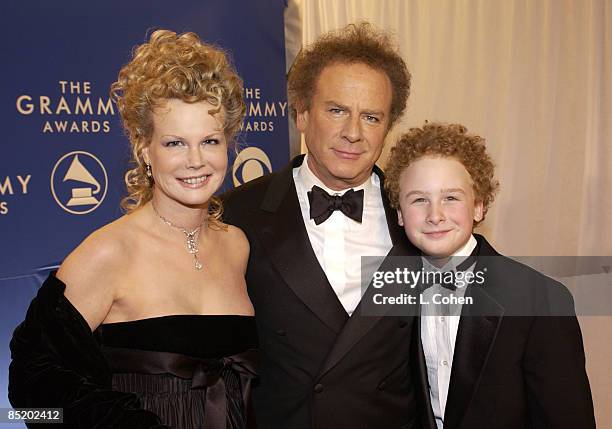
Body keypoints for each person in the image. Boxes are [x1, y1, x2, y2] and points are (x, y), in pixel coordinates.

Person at [9, 30, 257, 429]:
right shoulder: (109, 251)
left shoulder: (238, 246)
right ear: (145, 149)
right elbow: (32, 384)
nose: (196, 160)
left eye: (209, 140)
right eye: (175, 143)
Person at [223, 23, 425, 429]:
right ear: (301, 113)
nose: (353, 133)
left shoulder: (420, 213)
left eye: (371, 117)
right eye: (336, 110)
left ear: (388, 126)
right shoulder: (235, 215)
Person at [384, 122, 596, 428]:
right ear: (400, 214)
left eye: (451, 198)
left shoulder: (540, 300)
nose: (435, 215)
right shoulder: (391, 289)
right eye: (419, 200)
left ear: (479, 206)